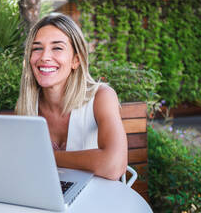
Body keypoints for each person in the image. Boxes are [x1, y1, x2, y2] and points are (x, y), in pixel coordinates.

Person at [15, 13, 127, 180]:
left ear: (76, 60)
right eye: (37, 48)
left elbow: (113, 165)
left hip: (98, 198)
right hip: (49, 195)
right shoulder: (27, 104)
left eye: (57, 48)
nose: (44, 56)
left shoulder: (101, 97)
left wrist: (45, 156)